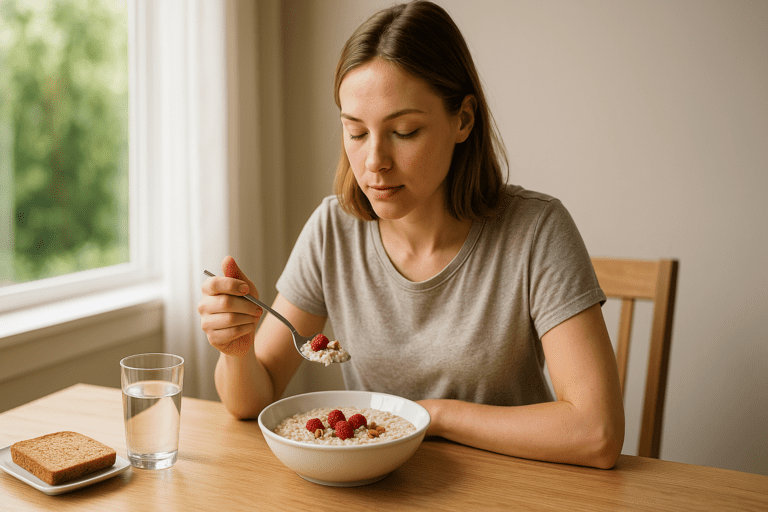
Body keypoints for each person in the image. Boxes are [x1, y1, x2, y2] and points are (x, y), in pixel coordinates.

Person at [199, 0, 624, 469]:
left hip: (516, 488)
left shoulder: (537, 231)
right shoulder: (333, 231)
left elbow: (596, 431)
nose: (374, 161)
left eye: (403, 131)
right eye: (356, 133)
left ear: (463, 119)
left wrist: (432, 416)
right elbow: (251, 402)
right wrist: (237, 353)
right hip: (383, 489)